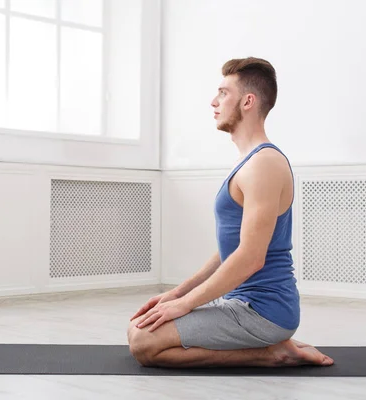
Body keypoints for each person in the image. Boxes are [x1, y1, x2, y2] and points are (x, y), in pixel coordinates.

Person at [127, 57, 334, 368]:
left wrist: (184, 305)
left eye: (223, 93)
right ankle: (273, 346)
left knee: (144, 343)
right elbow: (232, 249)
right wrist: (177, 294)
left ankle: (270, 352)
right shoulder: (250, 161)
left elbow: (251, 258)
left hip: (263, 312)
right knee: (138, 327)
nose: (214, 101)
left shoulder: (264, 164)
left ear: (248, 101)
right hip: (242, 304)